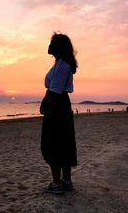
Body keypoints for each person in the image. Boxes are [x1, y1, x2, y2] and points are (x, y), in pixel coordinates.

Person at [41, 32, 78, 194]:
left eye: (51, 42)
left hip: (57, 104)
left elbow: (54, 90)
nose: (49, 45)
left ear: (57, 47)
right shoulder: (60, 64)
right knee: (64, 141)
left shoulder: (62, 65)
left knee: (53, 142)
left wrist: (44, 105)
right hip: (61, 104)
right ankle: (66, 181)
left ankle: (57, 184)